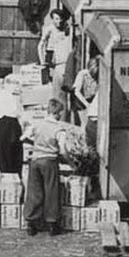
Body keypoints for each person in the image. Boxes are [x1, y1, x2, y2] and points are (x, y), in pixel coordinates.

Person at [23, 98, 77, 236]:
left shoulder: (37, 124)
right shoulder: (59, 129)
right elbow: (63, 150)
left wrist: (37, 144)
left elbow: (23, 137)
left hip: (35, 160)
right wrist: (70, 162)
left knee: (34, 191)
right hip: (49, 161)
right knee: (51, 192)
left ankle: (31, 223)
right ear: (58, 113)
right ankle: (52, 223)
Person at [37, 6, 74, 105]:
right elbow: (41, 44)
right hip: (51, 53)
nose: (59, 21)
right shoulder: (50, 29)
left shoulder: (67, 28)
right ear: (52, 19)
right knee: (49, 81)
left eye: (60, 18)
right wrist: (42, 61)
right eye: (56, 19)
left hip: (62, 55)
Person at [71, 52, 102, 148]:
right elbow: (77, 92)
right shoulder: (82, 74)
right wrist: (86, 104)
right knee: (84, 125)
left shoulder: (100, 75)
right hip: (81, 101)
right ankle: (83, 147)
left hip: (92, 100)